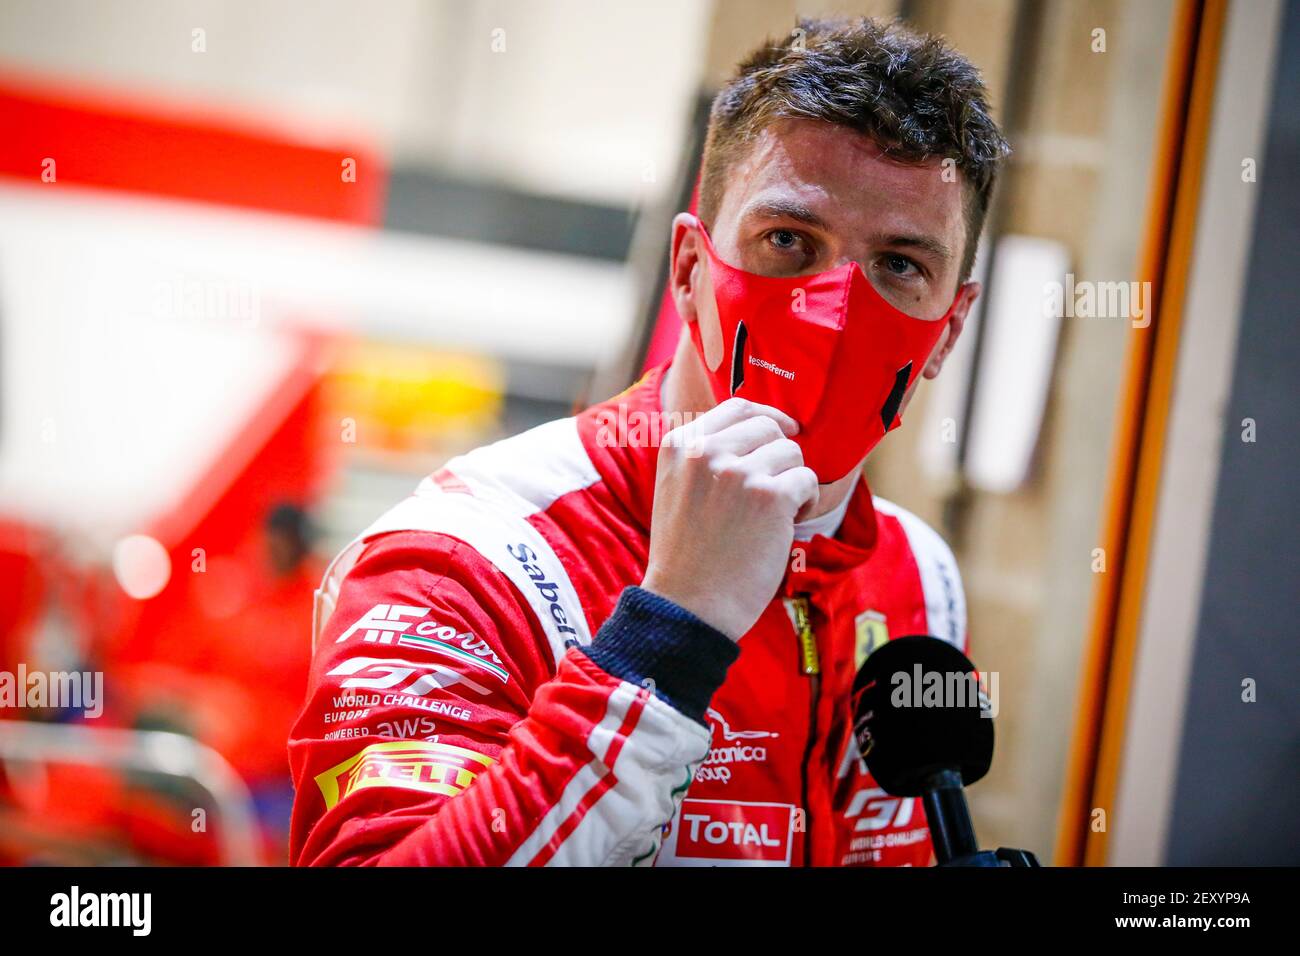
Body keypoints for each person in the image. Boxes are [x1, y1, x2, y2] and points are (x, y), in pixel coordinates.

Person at [289, 16, 1008, 867]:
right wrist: (672, 632)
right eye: (788, 241)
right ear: (690, 271)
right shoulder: (466, 558)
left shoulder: (919, 575)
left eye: (900, 265)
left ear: (951, 329)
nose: (836, 308)